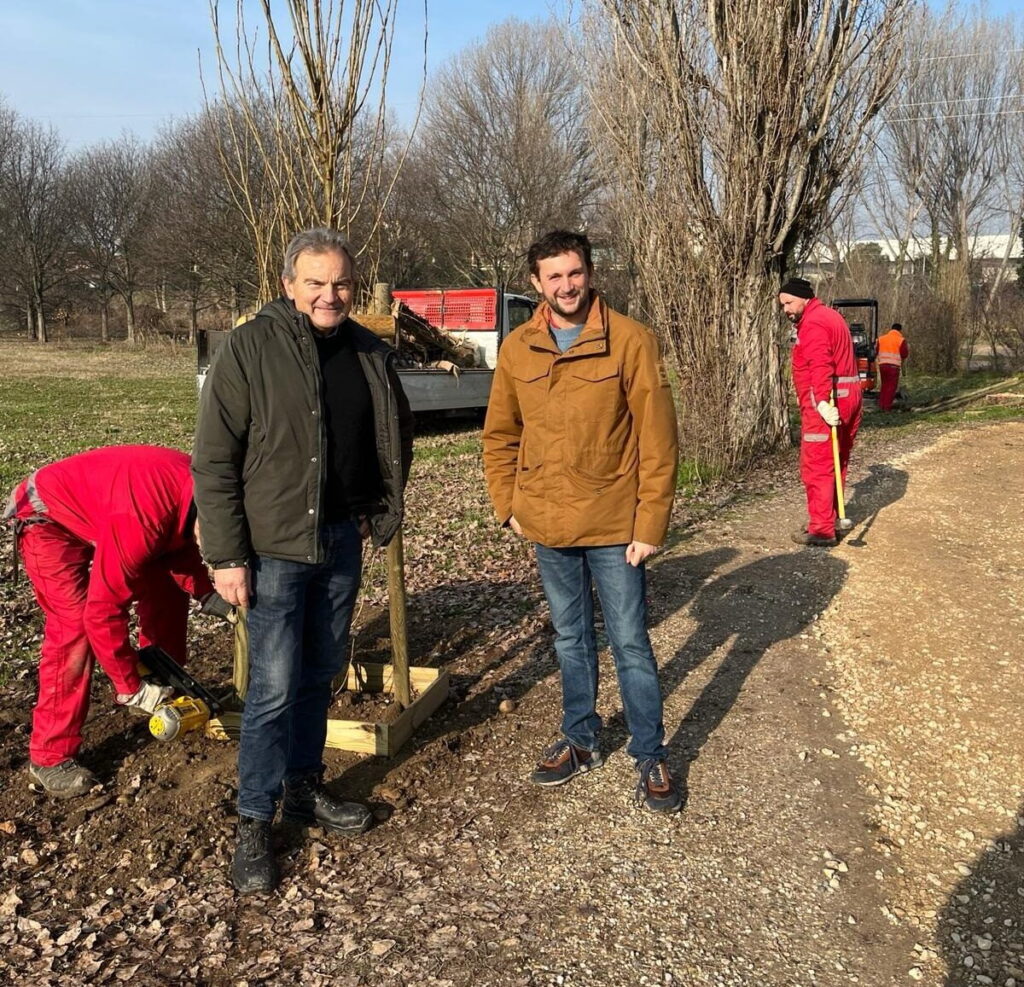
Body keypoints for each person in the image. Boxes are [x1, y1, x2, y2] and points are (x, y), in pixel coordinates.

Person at [193, 227, 413, 894]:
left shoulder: (368, 350)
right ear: (288, 285)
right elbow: (214, 460)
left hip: (342, 540)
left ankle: (303, 788)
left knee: (320, 673)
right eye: (315, 282)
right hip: (274, 550)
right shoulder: (249, 349)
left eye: (341, 282)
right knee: (272, 689)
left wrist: (379, 500)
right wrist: (226, 554)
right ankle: (254, 820)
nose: (330, 294)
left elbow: (392, 429)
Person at [482, 230, 681, 813]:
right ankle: (581, 738)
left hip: (616, 523)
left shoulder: (631, 341)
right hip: (546, 523)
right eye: (553, 277)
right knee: (570, 639)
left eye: (574, 273)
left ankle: (650, 754)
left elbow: (658, 439)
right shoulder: (518, 348)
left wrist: (651, 523)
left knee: (630, 643)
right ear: (536, 284)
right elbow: (499, 436)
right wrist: (509, 506)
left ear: (590, 274)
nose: (565, 286)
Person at [3, 445, 218, 798]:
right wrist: (128, 686)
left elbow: (178, 544)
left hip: (116, 508)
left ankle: (164, 687)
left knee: (166, 592)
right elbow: (102, 611)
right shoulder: (144, 517)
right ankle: (49, 756)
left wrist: (208, 593)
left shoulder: (204, 492)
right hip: (47, 517)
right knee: (74, 626)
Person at [778, 277, 863, 547]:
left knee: (817, 465)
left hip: (826, 400)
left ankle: (822, 528)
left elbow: (820, 365)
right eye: (782, 305)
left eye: (789, 302)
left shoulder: (813, 323)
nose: (786, 310)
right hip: (849, 394)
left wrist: (823, 403)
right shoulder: (831, 316)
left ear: (804, 298)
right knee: (837, 460)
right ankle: (830, 516)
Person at [877, 322, 909, 412]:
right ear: (900, 330)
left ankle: (881, 405)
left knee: (884, 385)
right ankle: (887, 407)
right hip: (894, 367)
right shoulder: (901, 340)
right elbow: (904, 354)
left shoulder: (881, 339)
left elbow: (876, 350)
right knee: (891, 387)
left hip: (882, 365)